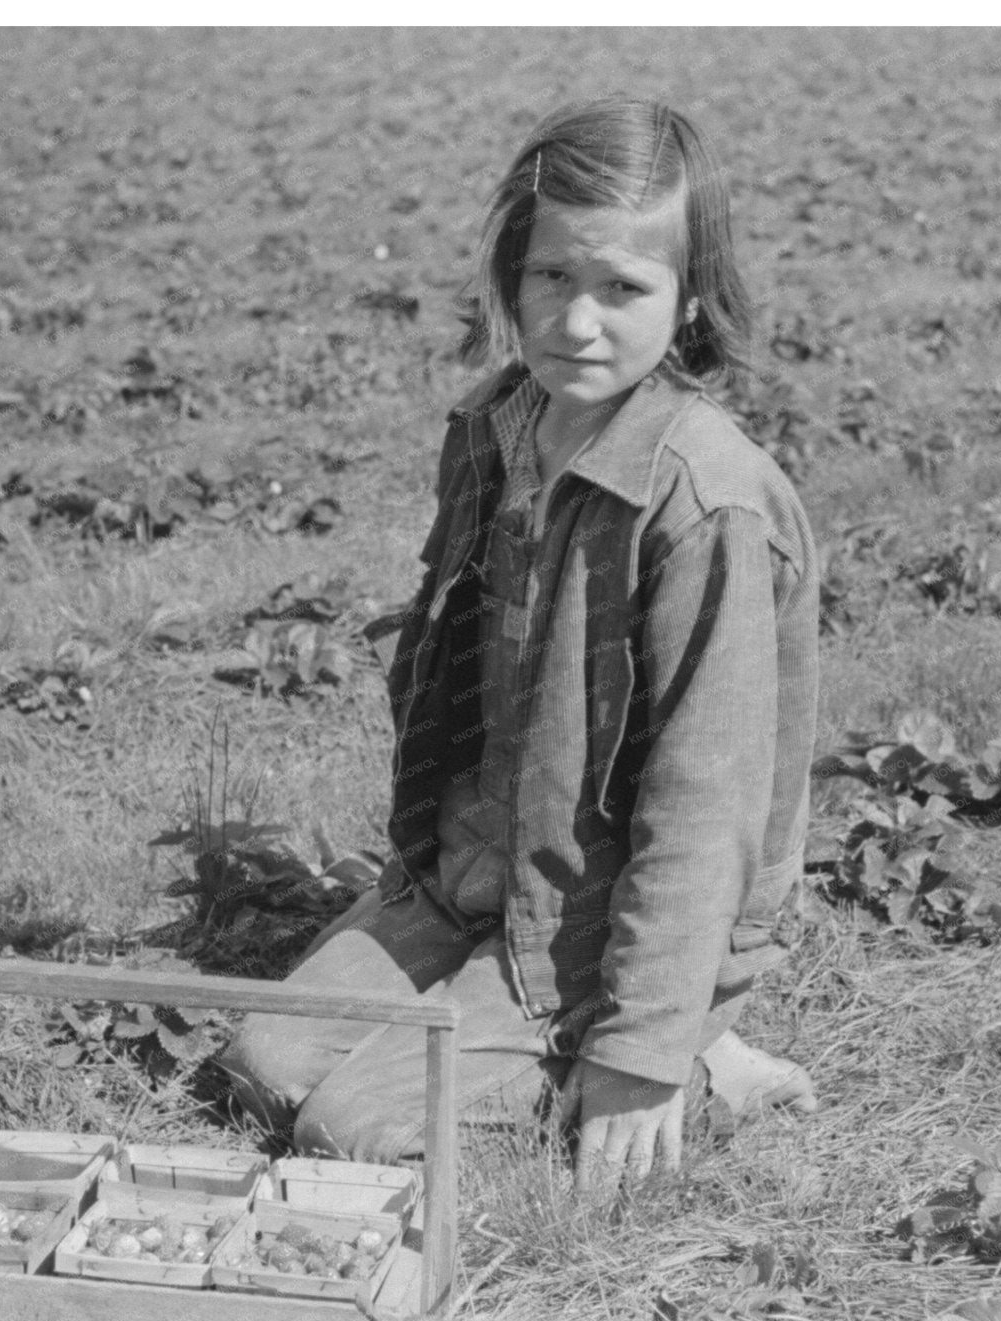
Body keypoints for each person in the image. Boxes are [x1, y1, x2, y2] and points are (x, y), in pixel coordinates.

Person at [219, 95, 821, 1191]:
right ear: (511, 271)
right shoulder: (495, 430)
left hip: (597, 920)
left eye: (622, 289)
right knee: (263, 1063)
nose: (576, 322)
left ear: (689, 303)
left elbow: (707, 803)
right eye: (552, 276)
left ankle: (682, 1056)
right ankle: (537, 1007)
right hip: (473, 879)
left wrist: (635, 1054)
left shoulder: (705, 506)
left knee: (349, 1132)